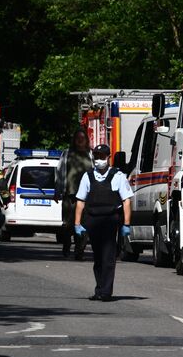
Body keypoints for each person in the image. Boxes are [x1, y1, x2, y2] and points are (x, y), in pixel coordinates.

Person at [74, 144, 133, 301]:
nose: (99, 159)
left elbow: (126, 201)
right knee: (98, 257)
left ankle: (106, 291)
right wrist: (77, 224)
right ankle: (99, 289)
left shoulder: (118, 176)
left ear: (109, 157)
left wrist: (126, 224)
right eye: (97, 156)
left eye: (102, 156)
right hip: (93, 220)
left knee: (108, 257)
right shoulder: (88, 176)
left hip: (110, 220)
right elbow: (80, 201)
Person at [55, 129, 93, 259]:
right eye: (78, 138)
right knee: (68, 225)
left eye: (83, 138)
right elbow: (60, 172)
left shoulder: (91, 155)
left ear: (86, 140)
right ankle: (66, 245)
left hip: (86, 197)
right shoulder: (67, 154)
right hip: (70, 195)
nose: (80, 140)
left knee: (84, 224)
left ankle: (79, 251)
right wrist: (57, 190)